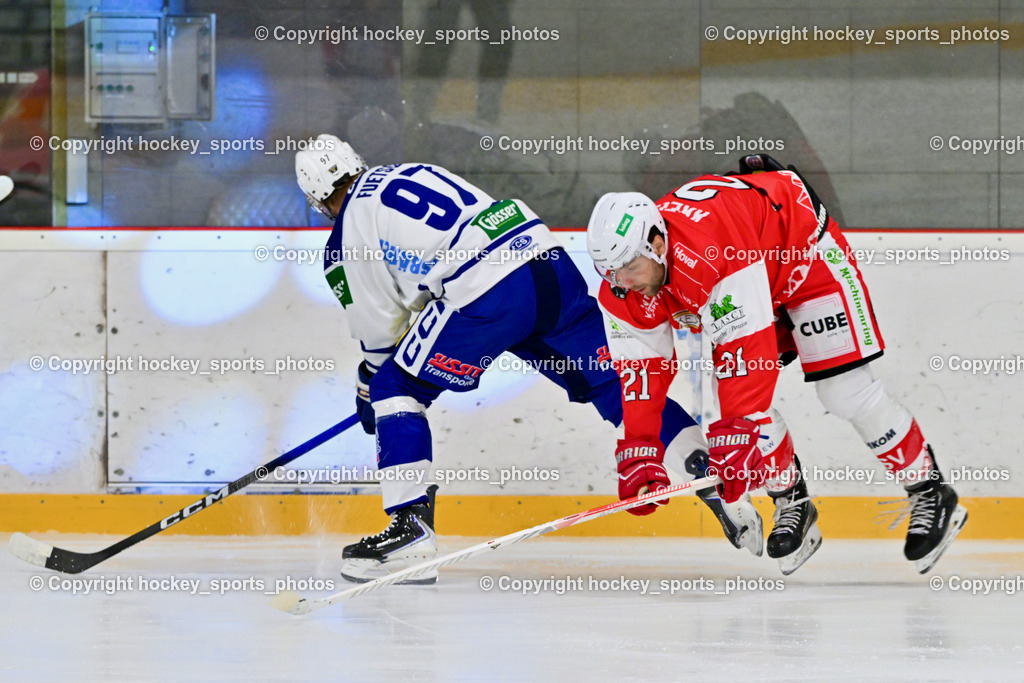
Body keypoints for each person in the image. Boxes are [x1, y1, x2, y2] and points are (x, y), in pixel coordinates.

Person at [295, 135, 762, 584]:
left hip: (487, 293)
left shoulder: (345, 238)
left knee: (396, 390)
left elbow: (381, 332)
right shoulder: (410, 171)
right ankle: (711, 477)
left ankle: (410, 532)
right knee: (616, 386)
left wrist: (370, 384)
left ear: (317, 200)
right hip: (544, 262)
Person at [585, 154, 967, 575]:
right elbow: (642, 371)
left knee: (841, 392)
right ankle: (792, 500)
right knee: (737, 412)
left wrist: (736, 436)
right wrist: (641, 446)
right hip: (758, 260)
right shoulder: (625, 282)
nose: (624, 283)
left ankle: (930, 490)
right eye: (611, 273)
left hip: (803, 254)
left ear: (658, 244)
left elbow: (746, 357)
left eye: (631, 269)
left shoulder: (710, 251)